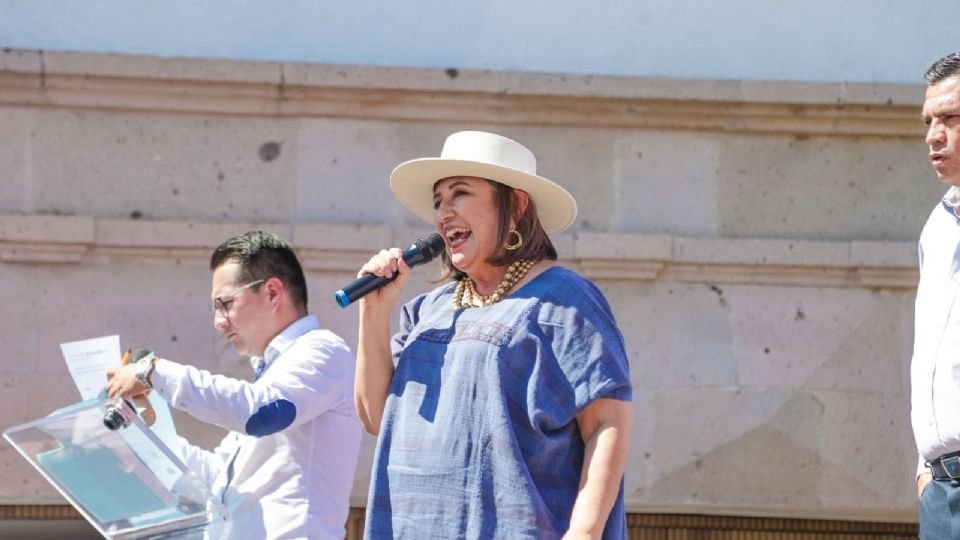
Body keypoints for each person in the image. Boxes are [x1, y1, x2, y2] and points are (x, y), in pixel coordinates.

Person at [354, 131, 633, 539]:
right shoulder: (427, 310)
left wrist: (585, 531)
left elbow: (608, 421)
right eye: (438, 201)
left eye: (460, 194)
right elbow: (377, 418)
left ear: (515, 205)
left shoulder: (564, 300)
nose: (443, 214)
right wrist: (373, 313)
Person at [106, 231, 361, 540]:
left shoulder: (322, 349)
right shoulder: (271, 377)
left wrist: (151, 371)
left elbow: (263, 413)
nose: (219, 321)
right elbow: (215, 483)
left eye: (225, 303)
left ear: (271, 292)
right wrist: (142, 430)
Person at [912, 52, 960, 538]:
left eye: (950, 118)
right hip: (940, 494)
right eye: (929, 120)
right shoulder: (937, 227)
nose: (932, 134)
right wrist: (923, 471)